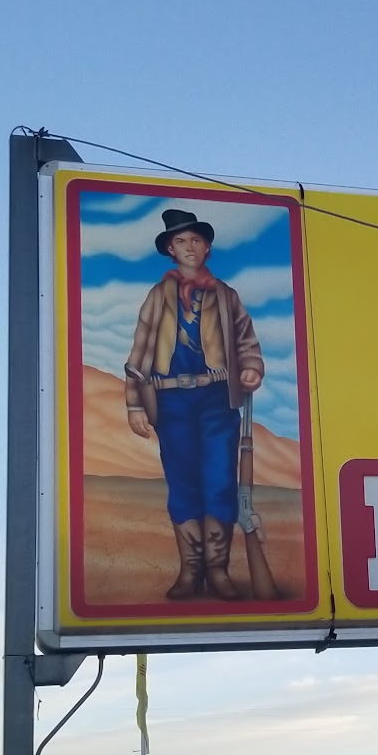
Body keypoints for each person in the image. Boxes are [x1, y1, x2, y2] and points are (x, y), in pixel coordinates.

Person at [123, 208, 264, 600]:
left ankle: (218, 570)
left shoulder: (226, 296)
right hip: (170, 400)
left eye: (196, 240)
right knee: (182, 483)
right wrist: (135, 404)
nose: (189, 247)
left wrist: (251, 368)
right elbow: (139, 352)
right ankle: (190, 570)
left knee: (220, 481)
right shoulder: (158, 297)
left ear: (207, 247)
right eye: (181, 241)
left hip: (217, 398)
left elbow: (246, 341)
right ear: (171, 249)